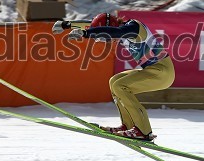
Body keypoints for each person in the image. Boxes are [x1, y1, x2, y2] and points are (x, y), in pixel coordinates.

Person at [52, 13, 175, 141]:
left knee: (120, 86)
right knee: (114, 81)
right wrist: (66, 24)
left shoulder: (134, 27)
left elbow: (115, 31)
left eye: (107, 39)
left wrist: (86, 34)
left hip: (162, 72)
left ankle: (143, 131)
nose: (109, 41)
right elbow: (91, 24)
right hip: (153, 70)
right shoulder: (121, 30)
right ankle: (127, 126)